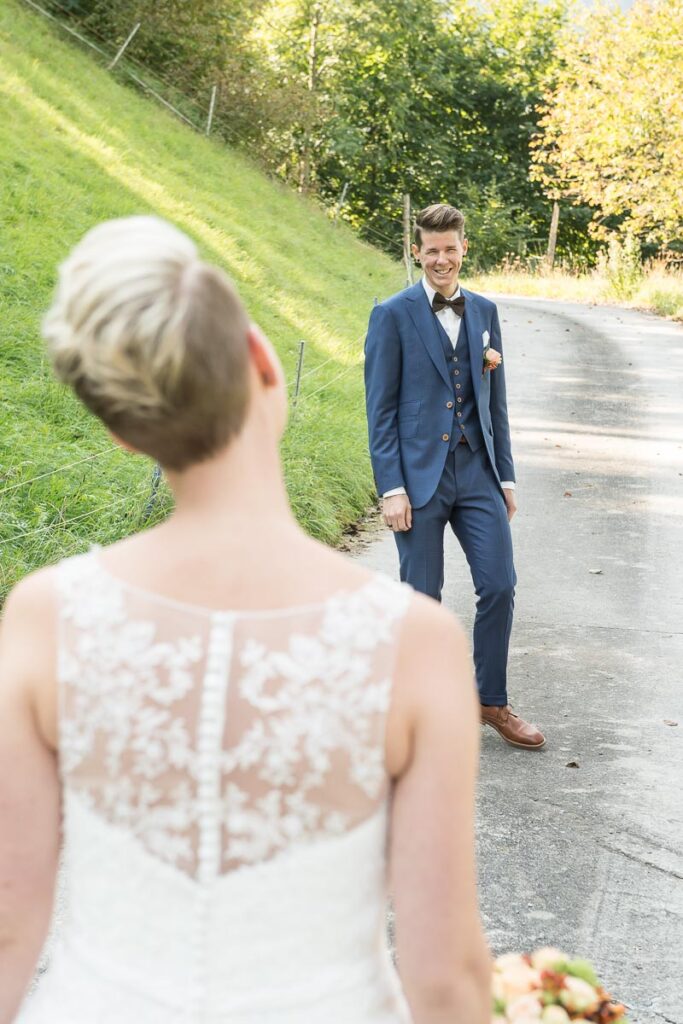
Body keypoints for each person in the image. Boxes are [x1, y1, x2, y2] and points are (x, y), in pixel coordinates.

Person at [0, 216, 491, 1024]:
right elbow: (445, 982)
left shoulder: (46, 616)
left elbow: (11, 926)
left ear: (125, 435)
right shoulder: (415, 642)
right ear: (265, 361)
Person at [364, 203, 545, 750]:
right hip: (418, 481)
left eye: (450, 249)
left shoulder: (486, 311)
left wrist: (505, 478)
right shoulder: (391, 314)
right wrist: (391, 488)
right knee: (423, 595)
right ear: (416, 251)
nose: (441, 259)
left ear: (464, 249)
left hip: (478, 473)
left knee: (500, 585)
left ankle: (490, 700)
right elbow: (381, 411)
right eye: (431, 250)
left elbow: (498, 405)